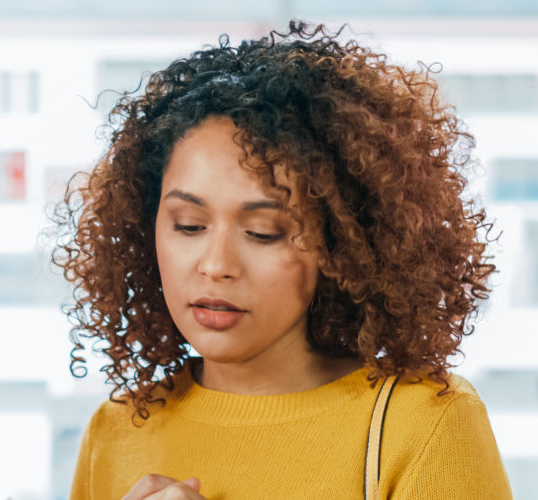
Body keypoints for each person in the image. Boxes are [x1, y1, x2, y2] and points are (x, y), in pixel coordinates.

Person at [54, 23, 510, 500]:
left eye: (262, 233)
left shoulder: (425, 426)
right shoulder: (116, 431)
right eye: (188, 225)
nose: (216, 265)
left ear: (339, 244)